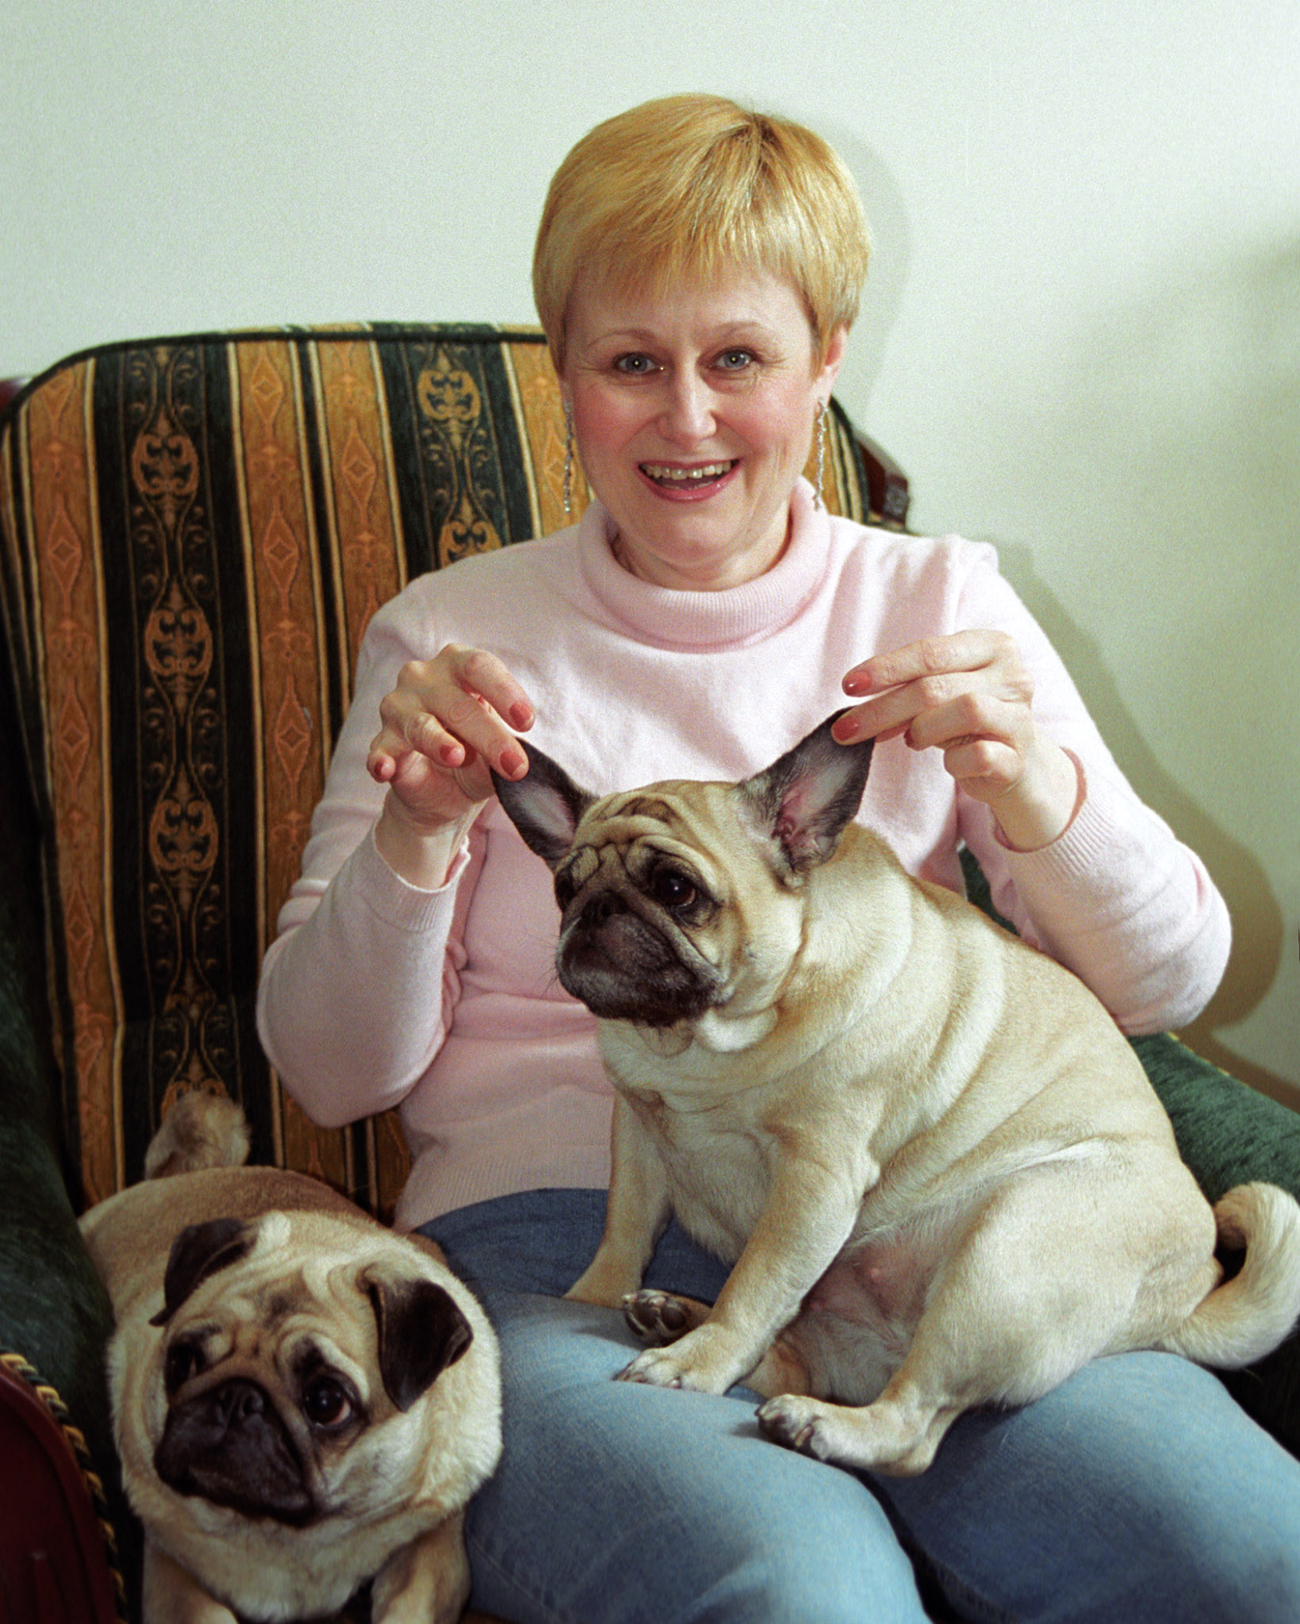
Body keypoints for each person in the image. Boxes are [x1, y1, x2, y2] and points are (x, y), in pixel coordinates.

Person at [256, 94, 1300, 1623]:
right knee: (803, 1592)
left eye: (737, 358)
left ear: (826, 361)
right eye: (633, 363)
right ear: (565, 377)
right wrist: (418, 835)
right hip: (562, 1241)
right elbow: (327, 1070)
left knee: (1251, 1554)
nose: (687, 418)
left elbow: (1171, 979)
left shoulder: (938, 602)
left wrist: (1037, 793)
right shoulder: (447, 636)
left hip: (921, 1232)